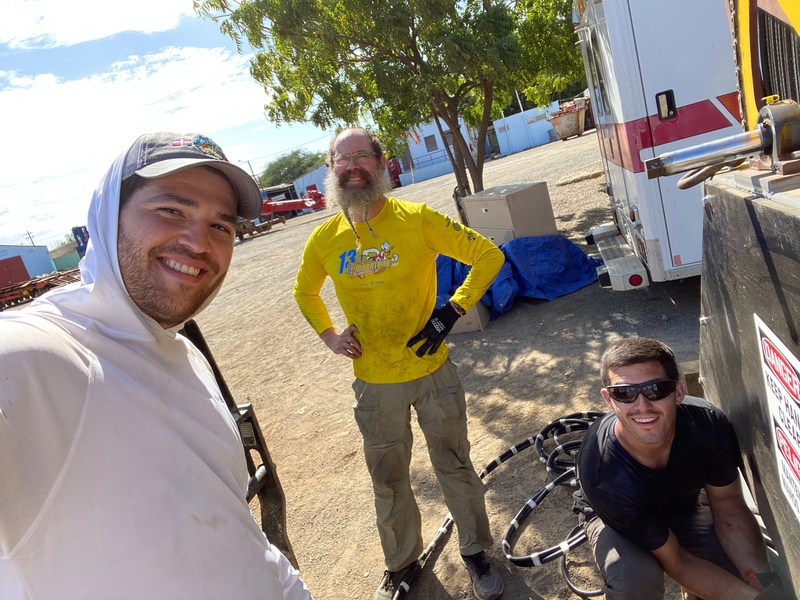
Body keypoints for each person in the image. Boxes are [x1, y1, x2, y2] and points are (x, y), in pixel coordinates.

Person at [0, 132, 312, 599]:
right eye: (172, 210)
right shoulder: (35, 355)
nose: (199, 243)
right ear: (108, 217)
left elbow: (231, 525)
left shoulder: (185, 356)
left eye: (221, 226)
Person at [293, 128, 505, 600]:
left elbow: (487, 255)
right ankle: (401, 562)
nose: (352, 168)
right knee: (388, 478)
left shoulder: (417, 218)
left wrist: (452, 311)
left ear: (381, 162)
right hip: (374, 384)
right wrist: (330, 335)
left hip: (433, 373)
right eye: (341, 160)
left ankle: (475, 552)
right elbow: (304, 291)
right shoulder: (324, 239)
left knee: (454, 464)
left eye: (361, 158)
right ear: (330, 169)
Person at [574, 337, 794, 600]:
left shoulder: (707, 425)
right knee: (635, 583)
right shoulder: (602, 474)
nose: (642, 406)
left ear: (678, 391)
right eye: (625, 393)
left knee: (735, 572)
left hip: (681, 505)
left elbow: (730, 508)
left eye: (655, 390)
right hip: (616, 517)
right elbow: (676, 560)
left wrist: (763, 584)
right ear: (609, 399)